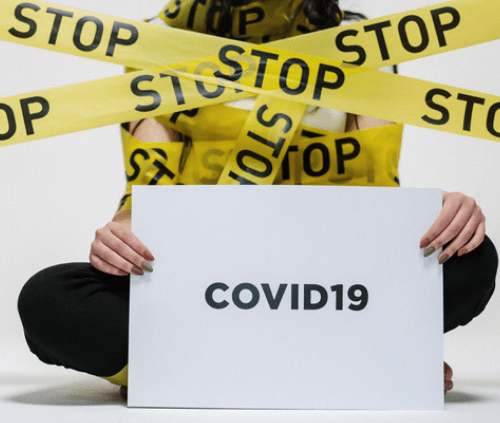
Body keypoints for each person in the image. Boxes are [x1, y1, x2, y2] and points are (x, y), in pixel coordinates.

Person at [18, 0, 497, 400]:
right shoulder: (154, 44)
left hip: (327, 285)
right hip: (203, 288)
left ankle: (198, 368)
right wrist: (119, 233)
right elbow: (146, 192)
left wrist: (441, 214)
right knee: (49, 300)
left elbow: (378, 197)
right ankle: (346, 362)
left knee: (473, 259)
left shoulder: (366, 44)